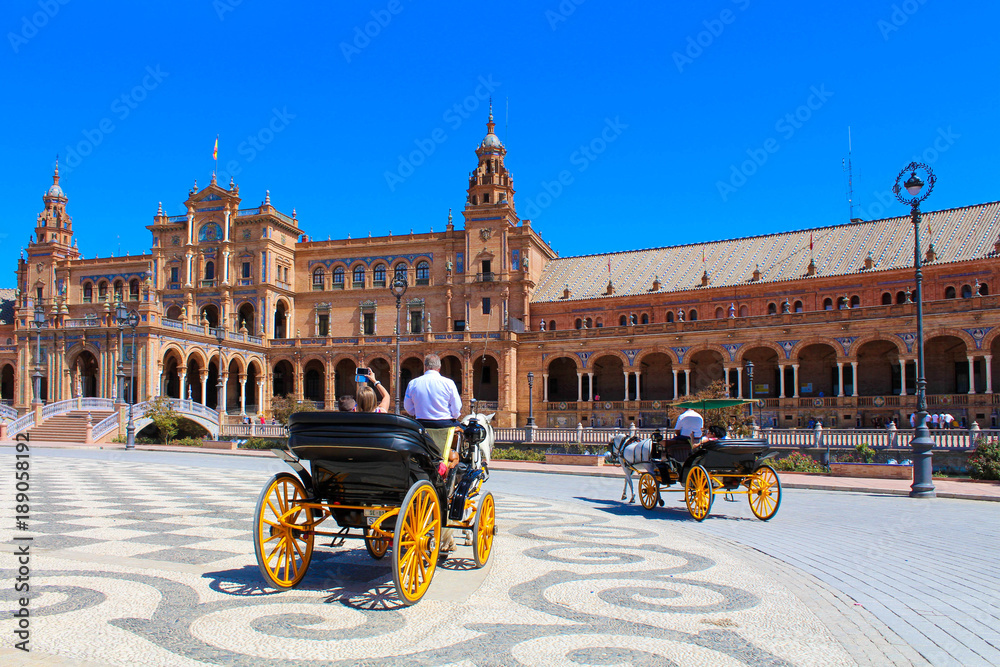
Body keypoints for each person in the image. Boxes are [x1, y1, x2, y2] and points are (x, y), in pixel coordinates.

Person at [403, 353, 462, 556]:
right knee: (450, 456)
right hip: (444, 430)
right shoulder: (448, 383)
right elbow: (456, 410)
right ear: (439, 368)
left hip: (420, 430)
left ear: (425, 367)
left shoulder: (413, 383)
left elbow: (408, 409)